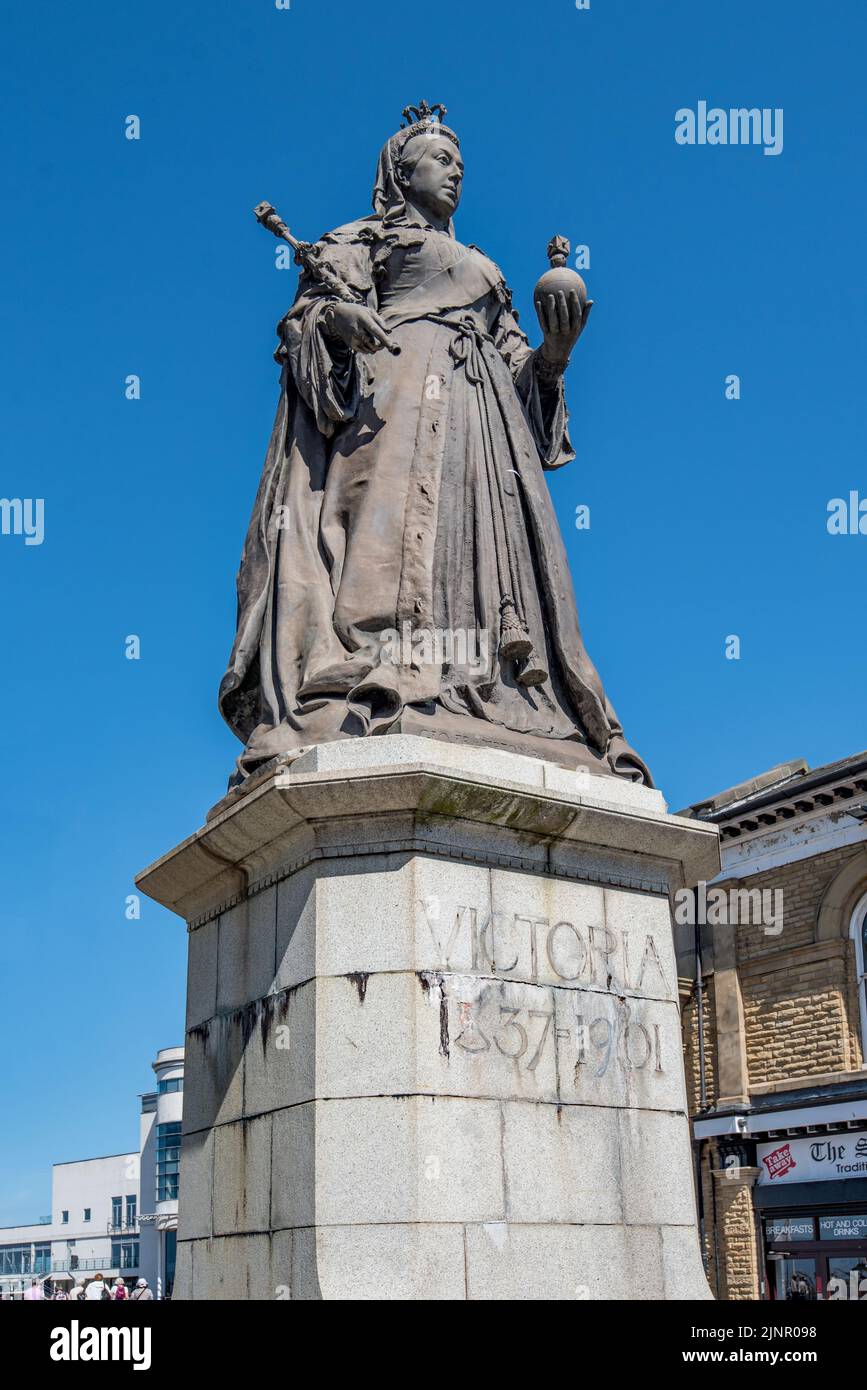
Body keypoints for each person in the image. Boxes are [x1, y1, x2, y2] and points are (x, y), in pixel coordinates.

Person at [219, 102, 651, 789]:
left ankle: (493, 690)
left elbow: (520, 368)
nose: (454, 174)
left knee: (483, 549)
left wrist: (555, 358)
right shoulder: (362, 240)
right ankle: (375, 674)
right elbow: (302, 327)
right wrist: (337, 318)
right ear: (400, 169)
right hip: (392, 395)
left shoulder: (484, 268)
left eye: (460, 165)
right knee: (385, 543)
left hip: (484, 422)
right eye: (439, 160)